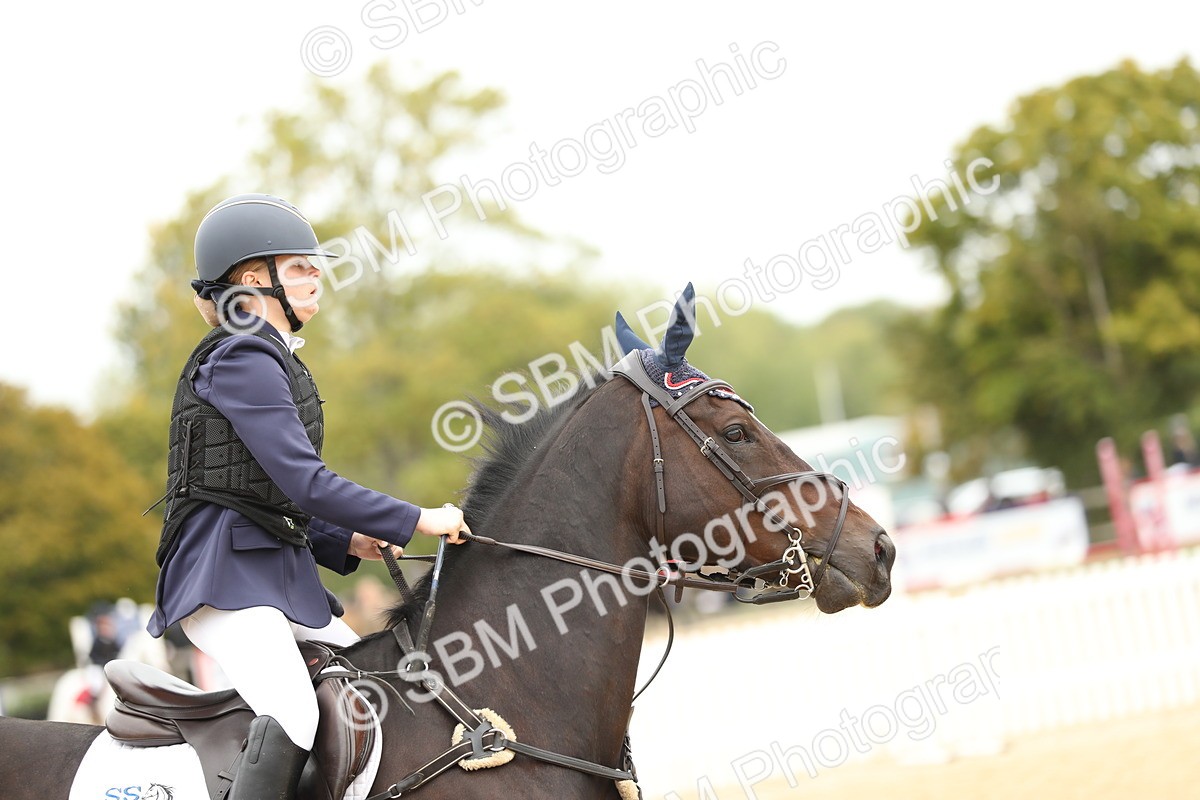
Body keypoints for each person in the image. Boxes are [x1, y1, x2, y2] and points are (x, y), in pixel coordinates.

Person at [145, 193, 470, 800]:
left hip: (275, 577)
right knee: (294, 710)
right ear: (252, 282)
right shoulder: (243, 354)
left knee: (380, 690)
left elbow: (266, 494)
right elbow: (306, 483)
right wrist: (415, 519)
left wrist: (349, 539)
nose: (318, 275)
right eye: (300, 266)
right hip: (225, 582)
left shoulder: (271, 358)